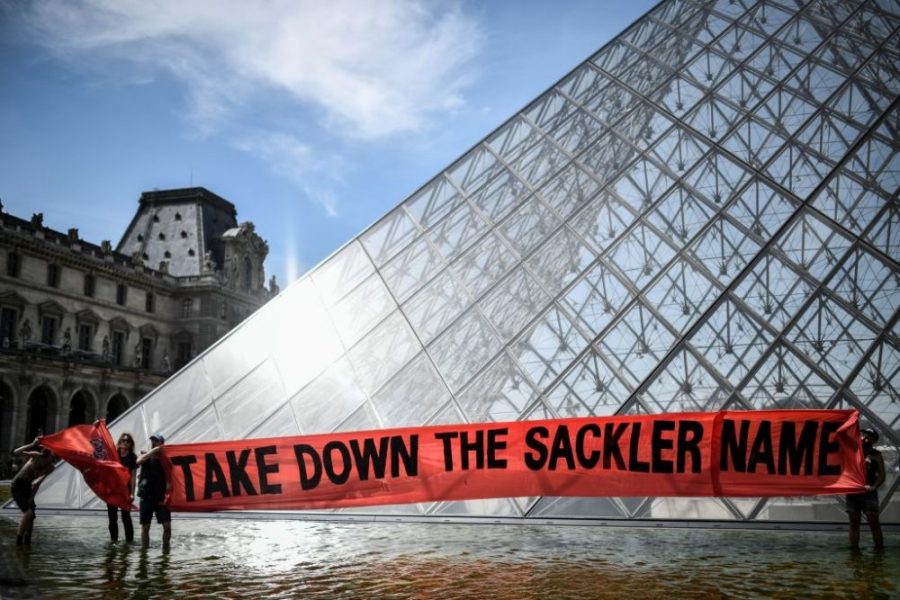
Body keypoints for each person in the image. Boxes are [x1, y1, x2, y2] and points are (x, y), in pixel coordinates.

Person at [11, 437, 56, 545]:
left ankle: (27, 540)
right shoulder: (36, 456)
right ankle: (18, 541)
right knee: (28, 513)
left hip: (28, 487)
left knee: (32, 516)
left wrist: (32, 497)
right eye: (51, 455)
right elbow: (17, 452)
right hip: (17, 484)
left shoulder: (50, 467)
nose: (52, 457)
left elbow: (38, 483)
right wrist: (32, 444)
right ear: (46, 454)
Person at [847, 427, 885, 550]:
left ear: (874, 440)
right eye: (864, 434)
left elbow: (882, 474)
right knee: (854, 521)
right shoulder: (853, 451)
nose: (865, 437)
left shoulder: (876, 455)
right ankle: (854, 550)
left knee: (873, 521)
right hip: (853, 491)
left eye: (869, 436)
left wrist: (873, 487)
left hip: (869, 493)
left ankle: (879, 550)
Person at [136, 433, 171, 550]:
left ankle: (166, 551)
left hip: (161, 498)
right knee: (145, 527)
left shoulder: (165, 460)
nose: (153, 443)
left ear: (162, 444)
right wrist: (151, 452)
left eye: (156, 441)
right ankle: (144, 552)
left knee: (167, 527)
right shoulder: (146, 457)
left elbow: (173, 473)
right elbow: (138, 461)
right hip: (146, 497)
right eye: (152, 441)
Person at [107, 432, 138, 543]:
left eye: (128, 441)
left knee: (126, 517)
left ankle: (129, 542)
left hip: (125, 491)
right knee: (112, 518)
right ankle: (113, 541)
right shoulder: (114, 455)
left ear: (131, 444)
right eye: (123, 440)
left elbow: (133, 476)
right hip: (113, 490)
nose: (125, 443)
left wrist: (132, 493)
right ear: (119, 442)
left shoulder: (132, 457)